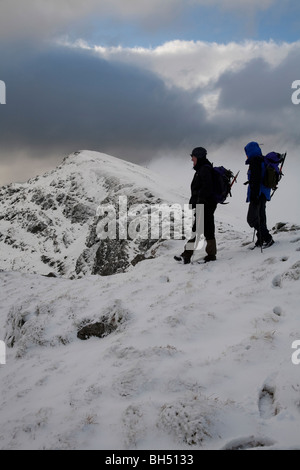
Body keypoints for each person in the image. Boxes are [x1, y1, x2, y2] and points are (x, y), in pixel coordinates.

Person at [174, 147, 217, 264]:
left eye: (193, 157)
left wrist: (199, 201)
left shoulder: (204, 170)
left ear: (198, 157)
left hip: (204, 205)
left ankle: (186, 255)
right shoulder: (203, 169)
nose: (192, 159)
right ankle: (211, 254)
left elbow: (206, 188)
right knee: (208, 228)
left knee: (196, 230)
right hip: (207, 204)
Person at [244, 141, 274, 248]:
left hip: (258, 193)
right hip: (264, 193)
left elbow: (256, 180)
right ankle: (260, 239)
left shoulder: (255, 161)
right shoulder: (261, 159)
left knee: (251, 219)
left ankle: (267, 237)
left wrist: (254, 195)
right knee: (261, 216)